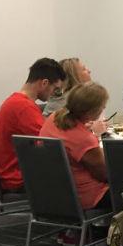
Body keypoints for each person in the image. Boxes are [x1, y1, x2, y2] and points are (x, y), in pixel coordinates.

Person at [0, 58, 67, 193]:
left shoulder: (17, 101)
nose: (53, 94)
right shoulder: (24, 107)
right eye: (55, 89)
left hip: (10, 172)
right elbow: (51, 142)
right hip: (18, 178)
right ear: (44, 83)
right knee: (79, 177)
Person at [39, 82, 111, 210]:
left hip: (57, 192)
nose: (103, 108)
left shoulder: (53, 118)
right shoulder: (84, 140)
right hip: (88, 197)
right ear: (90, 112)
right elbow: (105, 175)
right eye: (102, 107)